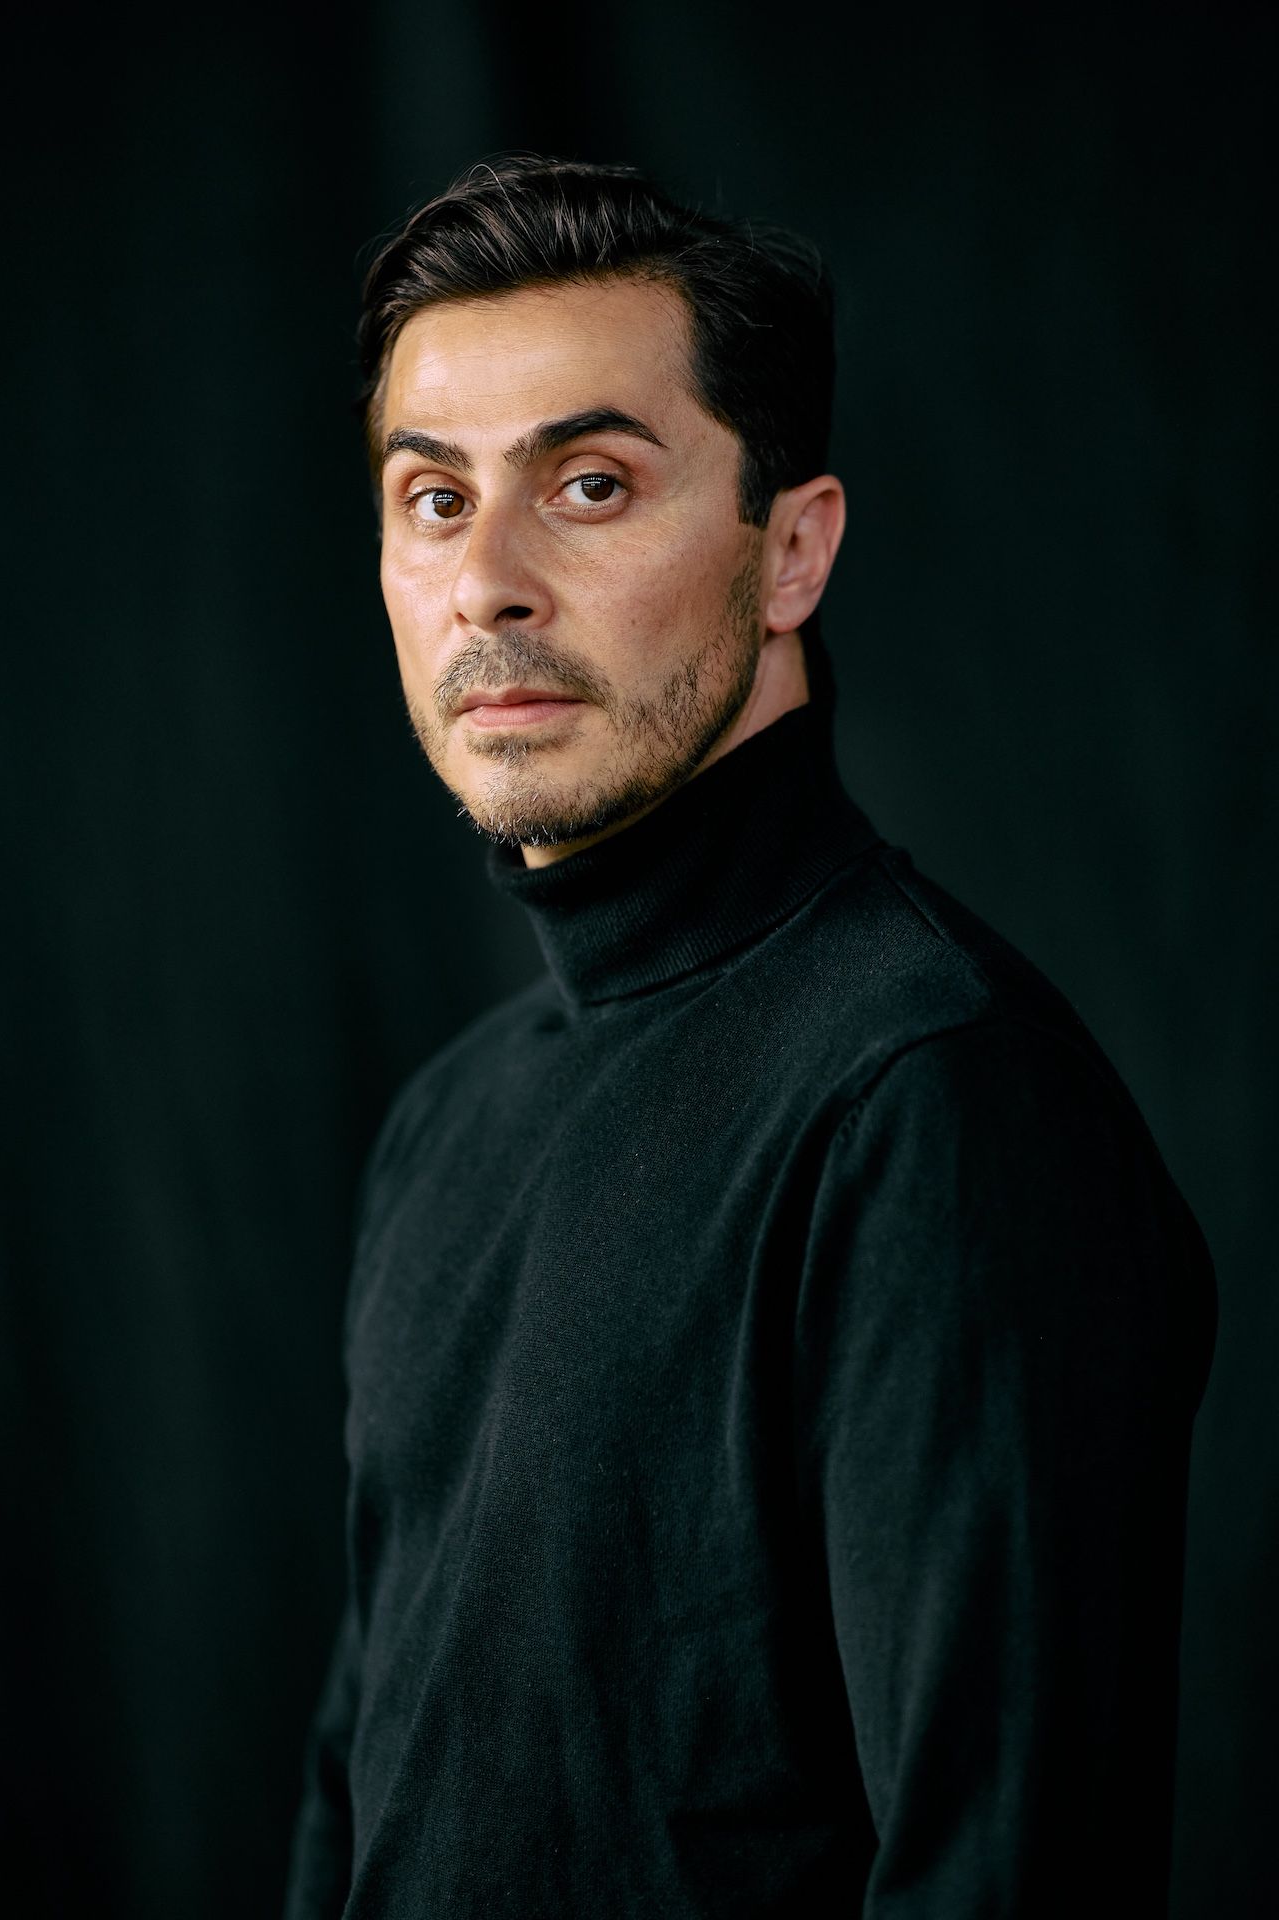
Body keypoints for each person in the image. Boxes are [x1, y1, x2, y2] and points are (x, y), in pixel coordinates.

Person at [282, 155, 1217, 1919]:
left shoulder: (933, 1097)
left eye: (589, 484)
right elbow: (359, 1801)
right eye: (433, 498)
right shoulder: (448, 1124)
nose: (487, 582)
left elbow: (1006, 1867)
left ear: (792, 549)